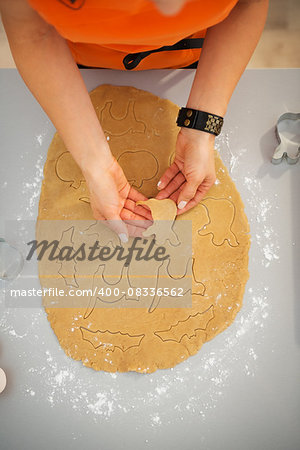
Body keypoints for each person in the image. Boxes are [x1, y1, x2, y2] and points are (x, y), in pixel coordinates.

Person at [0, 0, 268, 242]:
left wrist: (202, 126)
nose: (169, 9)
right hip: (73, 59)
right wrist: (95, 164)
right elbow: (33, 32)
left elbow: (246, 5)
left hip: (195, 53)